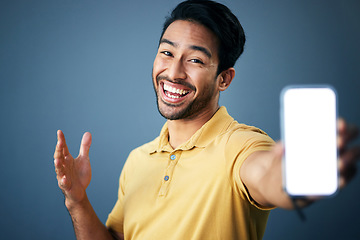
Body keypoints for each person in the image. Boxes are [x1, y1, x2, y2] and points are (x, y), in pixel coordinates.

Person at [53, 0, 360, 239]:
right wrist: (77, 200)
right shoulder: (137, 160)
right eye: (167, 53)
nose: (173, 73)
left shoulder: (242, 145)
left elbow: (268, 175)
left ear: (224, 78)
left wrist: (297, 177)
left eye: (196, 60)